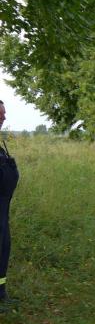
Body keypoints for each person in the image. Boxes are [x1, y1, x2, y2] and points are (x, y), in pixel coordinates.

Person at [0, 100, 19, 312]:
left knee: (3, 251)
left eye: (4, 114)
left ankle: (1, 294)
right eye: (0, 114)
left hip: (3, 211)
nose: (4, 117)